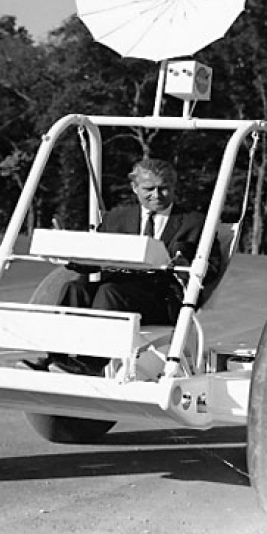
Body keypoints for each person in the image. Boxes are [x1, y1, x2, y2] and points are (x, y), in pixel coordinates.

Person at [22, 158, 221, 375]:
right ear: (135, 188)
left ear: (174, 188)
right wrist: (69, 252)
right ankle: (56, 359)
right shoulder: (116, 219)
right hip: (117, 288)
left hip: (163, 299)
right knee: (75, 290)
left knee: (109, 293)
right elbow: (93, 259)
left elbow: (212, 267)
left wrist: (186, 264)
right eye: (149, 189)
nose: (157, 195)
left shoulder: (196, 223)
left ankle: (91, 363)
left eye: (164, 188)